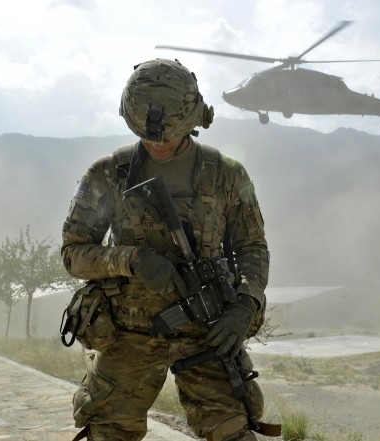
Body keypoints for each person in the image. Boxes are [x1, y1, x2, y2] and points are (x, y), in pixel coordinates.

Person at [61, 58, 270, 441]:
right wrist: (130, 260)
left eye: (169, 134)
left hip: (208, 332)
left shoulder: (227, 174)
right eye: (148, 134)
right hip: (128, 334)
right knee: (109, 430)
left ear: (193, 119)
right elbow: (74, 253)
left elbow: (252, 247)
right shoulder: (108, 174)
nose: (159, 144)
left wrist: (246, 305)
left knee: (233, 431)